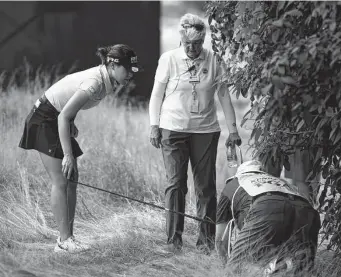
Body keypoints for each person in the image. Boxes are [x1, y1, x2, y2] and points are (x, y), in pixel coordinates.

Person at [19, 44, 142, 253]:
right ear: (113, 65)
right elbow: (62, 116)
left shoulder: (106, 80)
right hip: (44, 120)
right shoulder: (95, 82)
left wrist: (71, 122)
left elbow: (68, 108)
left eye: (132, 70)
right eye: (127, 70)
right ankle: (63, 242)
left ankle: (68, 239)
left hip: (56, 118)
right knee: (61, 180)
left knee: (72, 179)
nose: (130, 74)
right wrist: (67, 154)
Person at [148, 13, 242, 254]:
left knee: (206, 187)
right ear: (181, 39)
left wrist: (233, 131)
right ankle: (173, 240)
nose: (192, 48)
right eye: (188, 43)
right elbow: (156, 95)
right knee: (176, 184)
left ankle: (206, 243)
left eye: (197, 43)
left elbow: (223, 97)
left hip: (205, 130)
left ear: (204, 40)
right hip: (173, 129)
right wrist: (154, 125)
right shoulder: (168, 59)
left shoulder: (214, 61)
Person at [215, 160, 321, 275]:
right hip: (307, 211)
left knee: (235, 270)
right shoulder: (278, 181)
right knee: (302, 271)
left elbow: (220, 239)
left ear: (238, 174)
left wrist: (227, 264)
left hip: (268, 208)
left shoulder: (233, 183)